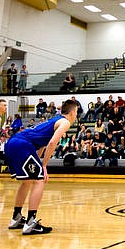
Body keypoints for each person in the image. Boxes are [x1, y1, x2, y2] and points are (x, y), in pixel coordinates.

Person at [5, 99, 78, 235]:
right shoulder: (65, 122)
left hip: (12, 143)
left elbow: (42, 144)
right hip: (22, 145)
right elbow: (52, 143)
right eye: (77, 112)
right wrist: (43, 165)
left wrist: (38, 161)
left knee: (28, 181)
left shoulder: (53, 120)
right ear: (73, 112)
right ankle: (31, 222)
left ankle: (16, 218)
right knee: (40, 179)